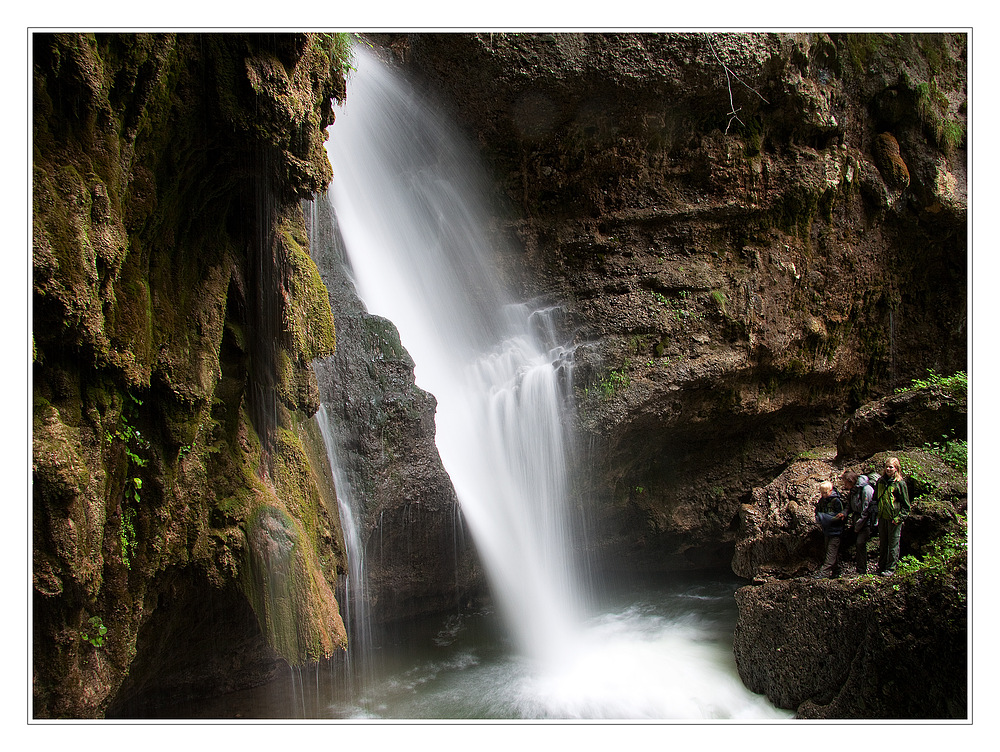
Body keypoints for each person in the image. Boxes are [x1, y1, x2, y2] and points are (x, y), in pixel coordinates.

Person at [874, 457, 911, 574]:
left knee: (893, 544)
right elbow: (875, 499)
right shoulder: (880, 481)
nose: (888, 469)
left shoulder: (900, 484)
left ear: (896, 469)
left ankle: (890, 569)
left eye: (891, 467)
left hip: (894, 519)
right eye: (887, 467)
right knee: (883, 543)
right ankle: (881, 567)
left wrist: (899, 518)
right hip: (882, 517)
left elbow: (906, 505)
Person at [842, 470, 877, 576]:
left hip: (866, 521)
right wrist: (844, 513)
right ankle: (860, 568)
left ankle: (862, 570)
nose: (844, 485)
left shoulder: (866, 490)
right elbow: (849, 504)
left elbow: (866, 510)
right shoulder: (854, 490)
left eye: (845, 483)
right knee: (859, 544)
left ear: (851, 481)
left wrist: (858, 525)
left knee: (860, 543)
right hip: (857, 519)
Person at [813, 480, 846, 578]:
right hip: (827, 531)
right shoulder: (822, 501)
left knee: (830, 553)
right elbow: (817, 511)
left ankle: (824, 573)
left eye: (825, 493)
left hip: (836, 532)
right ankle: (836, 570)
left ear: (830, 490)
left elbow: (840, 516)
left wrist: (825, 518)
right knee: (829, 551)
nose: (823, 495)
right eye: (822, 493)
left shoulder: (836, 501)